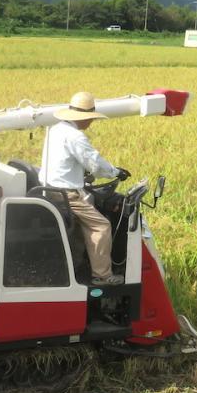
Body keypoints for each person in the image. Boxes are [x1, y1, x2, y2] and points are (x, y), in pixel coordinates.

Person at [41, 91, 130, 285]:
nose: (91, 122)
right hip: (67, 195)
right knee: (101, 226)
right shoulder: (75, 137)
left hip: (49, 190)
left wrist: (83, 175)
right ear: (84, 117)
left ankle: (75, 268)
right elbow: (95, 164)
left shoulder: (55, 130)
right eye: (90, 118)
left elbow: (66, 162)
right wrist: (116, 172)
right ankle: (102, 276)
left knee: (79, 231)